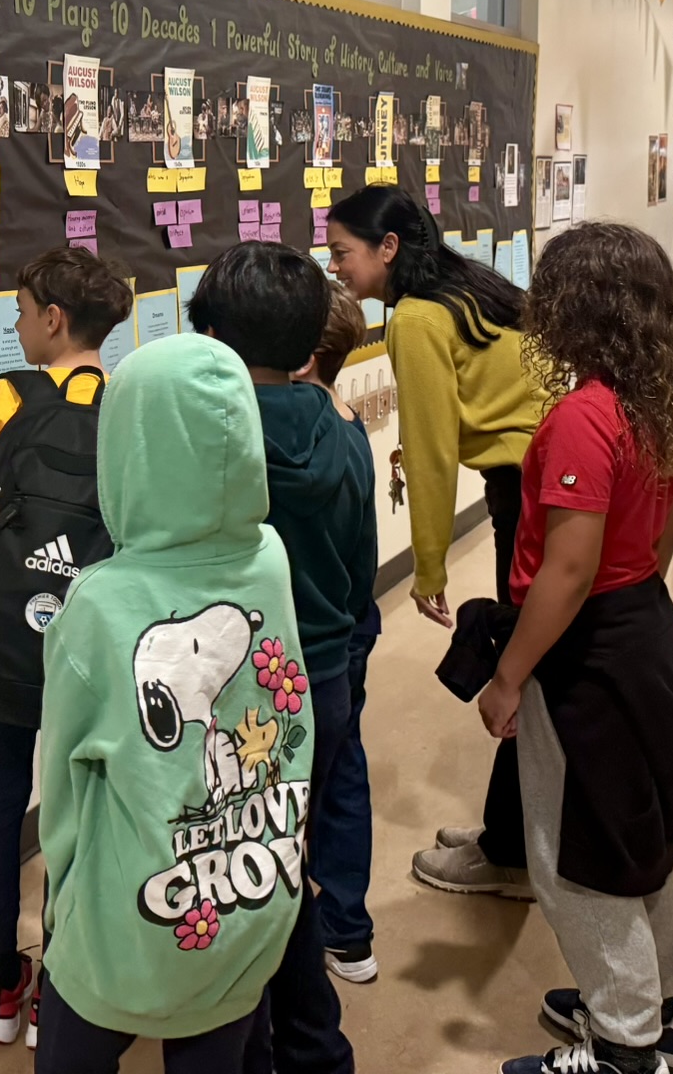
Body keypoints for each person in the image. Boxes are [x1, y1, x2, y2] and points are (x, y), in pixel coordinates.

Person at [482, 222, 673, 1074]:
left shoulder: (581, 418)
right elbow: (658, 542)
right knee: (640, 837)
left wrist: (509, 676)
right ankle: (663, 1013)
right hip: (642, 626)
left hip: (585, 655)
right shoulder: (652, 405)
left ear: (571, 311)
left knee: (575, 855)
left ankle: (625, 1045)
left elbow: (566, 569)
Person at [35, 333, 313, 1074]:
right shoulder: (269, 557)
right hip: (256, 895)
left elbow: (62, 785)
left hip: (127, 919)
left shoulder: (99, 603)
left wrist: (60, 907)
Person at [0, 248, 133, 1045]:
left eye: (19, 311)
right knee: (81, 808)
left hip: (5, 642)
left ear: (52, 318)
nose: (13, 325)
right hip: (92, 641)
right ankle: (63, 985)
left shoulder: (4, 401)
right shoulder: (125, 404)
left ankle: (0, 984)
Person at [324, 184, 543, 900]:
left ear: (388, 248)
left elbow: (429, 449)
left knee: (523, 665)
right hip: (551, 479)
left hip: (527, 490)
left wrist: (427, 566)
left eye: (343, 255)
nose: (337, 271)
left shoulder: (417, 319)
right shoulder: (472, 288)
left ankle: (511, 856)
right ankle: (510, 836)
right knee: (529, 657)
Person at [185, 244, 360, 1073]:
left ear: (213, 335)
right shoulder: (342, 428)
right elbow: (360, 575)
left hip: (241, 697)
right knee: (281, 866)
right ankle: (312, 1048)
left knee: (240, 874)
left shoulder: (209, 443)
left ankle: (278, 1047)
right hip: (322, 680)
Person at [295, 285, 384, 983]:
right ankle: (348, 929)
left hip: (316, 638)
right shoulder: (348, 425)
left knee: (310, 779)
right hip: (351, 624)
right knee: (344, 768)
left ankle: (315, 926)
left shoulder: (307, 445)